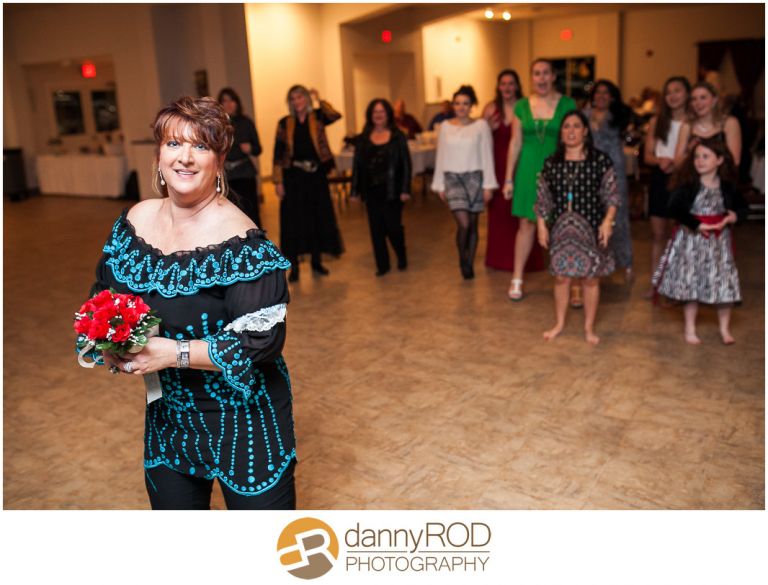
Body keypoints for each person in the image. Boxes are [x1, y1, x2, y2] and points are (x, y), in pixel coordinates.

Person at [90, 96, 296, 509]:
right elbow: (103, 299)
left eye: (200, 146)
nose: (184, 158)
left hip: (246, 421)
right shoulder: (135, 221)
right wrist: (109, 344)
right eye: (173, 143)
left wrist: (172, 353)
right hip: (170, 419)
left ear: (219, 162)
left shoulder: (242, 244)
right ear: (158, 155)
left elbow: (261, 343)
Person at [534, 110, 619, 345]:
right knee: (561, 278)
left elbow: (612, 196)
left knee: (590, 279)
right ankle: (559, 324)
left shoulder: (600, 161)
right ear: (560, 133)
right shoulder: (551, 163)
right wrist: (541, 225)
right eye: (566, 126)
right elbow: (543, 199)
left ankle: (589, 327)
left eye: (576, 126)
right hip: (560, 230)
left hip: (592, 229)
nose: (571, 131)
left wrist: (608, 221)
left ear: (585, 131)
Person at [653, 137, 747, 345]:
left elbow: (742, 208)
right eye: (697, 156)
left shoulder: (727, 187)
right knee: (692, 286)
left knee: (724, 285)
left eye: (706, 156)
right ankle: (690, 328)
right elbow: (674, 207)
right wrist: (696, 224)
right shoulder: (688, 185)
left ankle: (724, 329)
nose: (700, 161)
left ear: (719, 160)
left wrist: (733, 217)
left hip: (718, 244)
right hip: (692, 242)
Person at [503, 58, 577, 300]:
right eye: (536, 73)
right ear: (531, 77)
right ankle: (517, 279)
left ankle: (572, 282)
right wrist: (508, 179)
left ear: (553, 76)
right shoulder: (522, 106)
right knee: (526, 224)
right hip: (528, 170)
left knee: (562, 226)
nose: (541, 78)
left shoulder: (567, 104)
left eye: (546, 73)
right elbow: (515, 142)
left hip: (558, 170)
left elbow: (575, 138)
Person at [273, 85, 344, 282]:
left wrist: (320, 99)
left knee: (317, 218)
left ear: (307, 98)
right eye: (293, 98)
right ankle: (294, 267)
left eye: (300, 97)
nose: (297, 102)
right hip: (293, 177)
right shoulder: (285, 123)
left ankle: (316, 261)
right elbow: (278, 153)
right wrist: (278, 181)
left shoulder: (318, 117)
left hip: (316, 176)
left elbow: (335, 115)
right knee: (294, 221)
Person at [482, 69, 545, 273]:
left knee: (524, 212)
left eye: (511, 83)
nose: (507, 87)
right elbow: (480, 141)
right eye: (503, 84)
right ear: (498, 87)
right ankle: (500, 258)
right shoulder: (491, 108)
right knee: (500, 213)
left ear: (517, 85)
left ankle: (527, 261)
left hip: (523, 164)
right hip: (497, 166)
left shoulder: (527, 106)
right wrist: (488, 129)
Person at [432, 85, 497, 279]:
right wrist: (439, 185)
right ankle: (463, 259)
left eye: (465, 103)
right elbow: (440, 155)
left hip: (475, 178)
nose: (461, 107)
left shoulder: (481, 126)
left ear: (472, 106)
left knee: (474, 224)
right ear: (453, 105)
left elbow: (487, 156)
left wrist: (488, 185)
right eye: (457, 103)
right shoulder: (445, 127)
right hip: (452, 179)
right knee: (465, 223)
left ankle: (469, 262)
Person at [350, 98, 412, 276]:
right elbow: (357, 166)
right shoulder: (362, 139)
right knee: (376, 229)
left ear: (388, 114)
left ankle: (401, 254)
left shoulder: (398, 136)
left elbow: (406, 164)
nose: (378, 115)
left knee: (393, 227)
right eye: (375, 111)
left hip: (393, 190)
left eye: (382, 111)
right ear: (370, 115)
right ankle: (382, 265)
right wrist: (354, 191)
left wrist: (405, 189)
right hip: (371, 191)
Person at [643, 76, 691, 299]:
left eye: (677, 90)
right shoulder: (657, 121)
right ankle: (656, 284)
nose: (673, 96)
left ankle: (678, 285)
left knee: (680, 235)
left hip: (684, 179)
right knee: (658, 234)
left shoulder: (692, 122)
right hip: (660, 178)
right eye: (669, 92)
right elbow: (647, 155)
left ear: (687, 94)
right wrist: (659, 160)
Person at [584, 79, 634, 289]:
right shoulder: (584, 114)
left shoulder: (618, 116)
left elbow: (631, 138)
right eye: (598, 92)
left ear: (612, 97)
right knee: (592, 216)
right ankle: (596, 262)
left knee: (617, 217)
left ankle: (626, 263)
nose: (601, 96)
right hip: (590, 170)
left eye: (606, 93)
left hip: (614, 170)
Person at [218, 87, 263, 227]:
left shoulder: (246, 122)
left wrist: (250, 148)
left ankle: (255, 239)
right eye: (224, 101)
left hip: (245, 175)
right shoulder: (217, 125)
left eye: (231, 100)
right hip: (226, 177)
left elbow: (258, 149)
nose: (228, 104)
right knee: (230, 216)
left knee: (251, 213)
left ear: (237, 102)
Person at [674, 81, 742, 167]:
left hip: (721, 174)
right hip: (692, 175)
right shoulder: (687, 126)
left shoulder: (730, 123)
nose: (698, 103)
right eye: (694, 99)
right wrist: (689, 151)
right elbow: (677, 163)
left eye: (703, 98)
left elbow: (735, 161)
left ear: (714, 100)